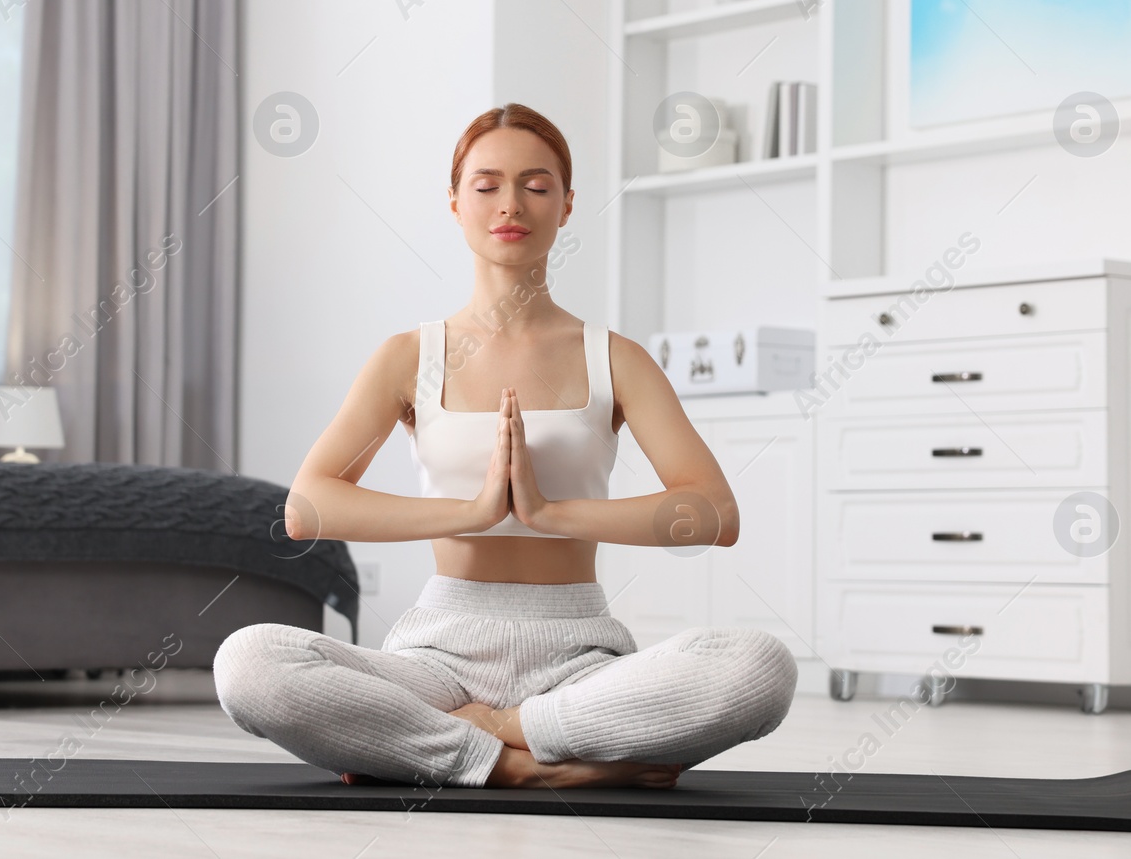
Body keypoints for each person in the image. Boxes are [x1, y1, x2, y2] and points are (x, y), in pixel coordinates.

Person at [213, 103, 797, 790]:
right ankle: (526, 766)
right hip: (436, 662)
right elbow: (308, 508)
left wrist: (551, 513)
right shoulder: (409, 356)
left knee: (761, 667)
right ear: (456, 201)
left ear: (568, 204)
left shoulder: (616, 358)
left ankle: (493, 736)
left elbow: (714, 514)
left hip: (581, 661)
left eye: (537, 185)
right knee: (247, 661)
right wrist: (473, 510)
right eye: (486, 185)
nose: (510, 203)